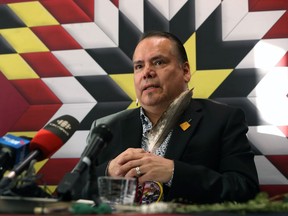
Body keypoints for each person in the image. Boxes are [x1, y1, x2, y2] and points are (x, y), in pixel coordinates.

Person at [83, 31, 259, 204]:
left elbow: (244, 188)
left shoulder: (223, 119)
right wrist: (107, 171)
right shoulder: (107, 127)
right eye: (139, 66)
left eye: (158, 62)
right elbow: (71, 189)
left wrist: (174, 173)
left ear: (185, 71)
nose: (147, 72)